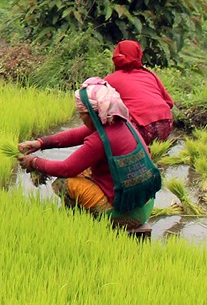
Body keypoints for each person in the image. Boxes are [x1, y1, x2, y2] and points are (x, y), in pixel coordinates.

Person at [17, 77, 156, 229]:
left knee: (64, 183)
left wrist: (34, 162)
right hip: (145, 204)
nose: (80, 118)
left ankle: (82, 223)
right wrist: (41, 143)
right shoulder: (121, 122)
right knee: (86, 169)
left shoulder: (101, 140)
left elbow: (66, 168)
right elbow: (77, 134)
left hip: (125, 216)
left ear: (92, 113)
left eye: (81, 113)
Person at [105, 39, 174, 144]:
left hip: (142, 128)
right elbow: (169, 103)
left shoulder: (110, 80)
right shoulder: (149, 75)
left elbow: (102, 108)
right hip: (166, 125)